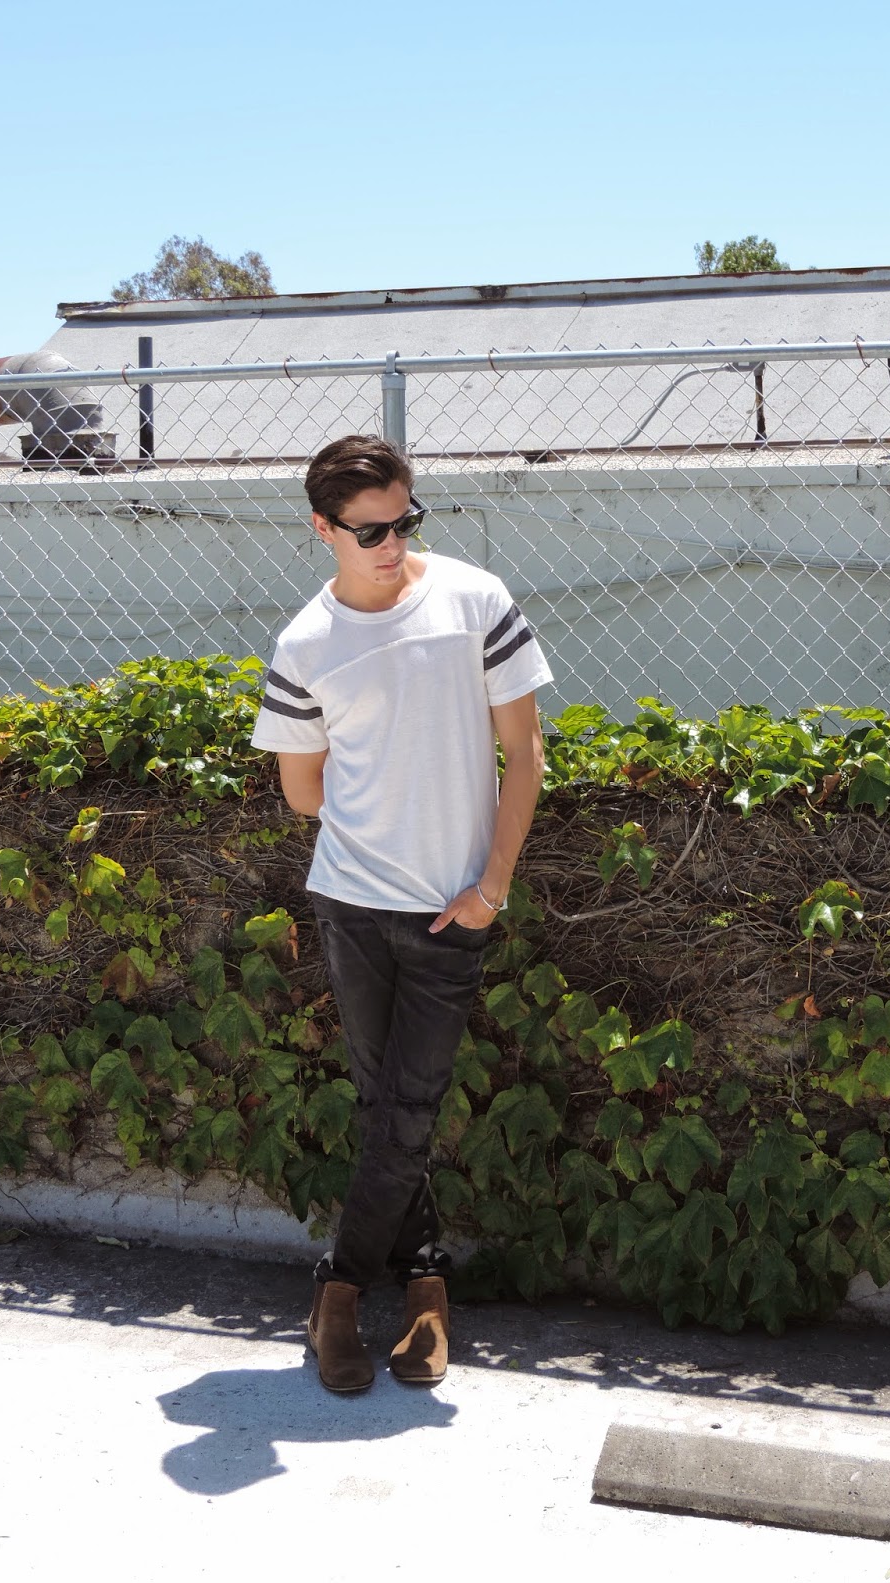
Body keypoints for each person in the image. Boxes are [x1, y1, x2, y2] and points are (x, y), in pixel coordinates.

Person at [250, 434, 552, 1393]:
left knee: (407, 1107)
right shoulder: (306, 644)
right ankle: (425, 1288)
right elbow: (302, 792)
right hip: (349, 903)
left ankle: (337, 1293)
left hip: (450, 911)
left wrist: (491, 887)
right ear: (323, 530)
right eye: (369, 531)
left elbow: (526, 754)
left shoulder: (473, 600)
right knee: (391, 1110)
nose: (392, 544)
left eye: (405, 522)